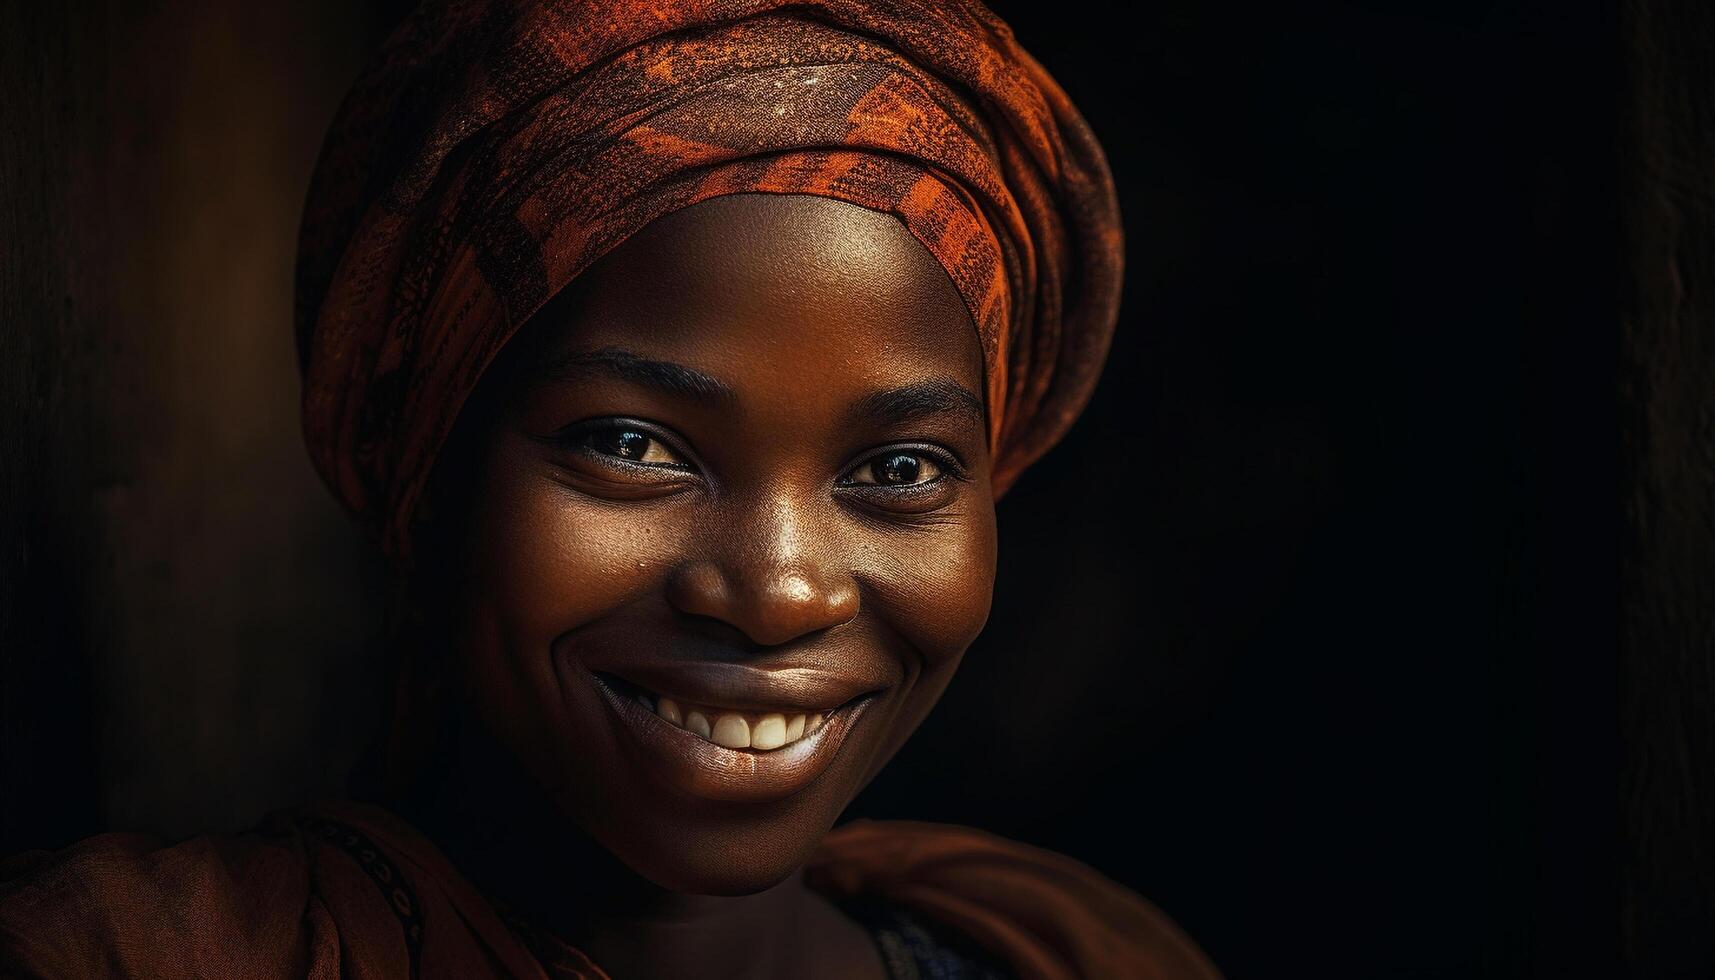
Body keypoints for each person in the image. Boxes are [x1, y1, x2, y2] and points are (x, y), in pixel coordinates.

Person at [0, 1, 1221, 976]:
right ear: (434, 469)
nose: (780, 589)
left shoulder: (1068, 951)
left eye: (897, 470)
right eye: (632, 444)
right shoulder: (122, 955)